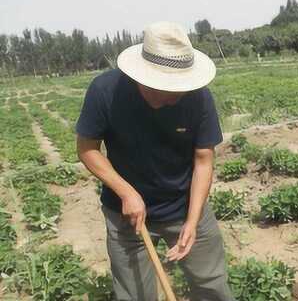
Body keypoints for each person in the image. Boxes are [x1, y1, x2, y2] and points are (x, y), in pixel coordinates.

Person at [76, 21, 235, 301]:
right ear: (141, 75)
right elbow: (87, 148)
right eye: (163, 87)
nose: (172, 96)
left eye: (178, 88)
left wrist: (192, 221)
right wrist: (126, 191)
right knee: (135, 295)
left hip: (183, 205)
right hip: (125, 215)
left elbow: (203, 161)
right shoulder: (106, 91)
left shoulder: (198, 98)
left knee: (212, 285)